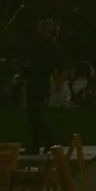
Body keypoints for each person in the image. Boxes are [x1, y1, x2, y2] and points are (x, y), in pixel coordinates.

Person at [24, 18, 59, 152]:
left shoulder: (44, 45)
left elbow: (43, 64)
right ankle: (38, 142)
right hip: (38, 80)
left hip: (37, 81)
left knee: (34, 114)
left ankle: (48, 141)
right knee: (34, 114)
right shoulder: (47, 45)